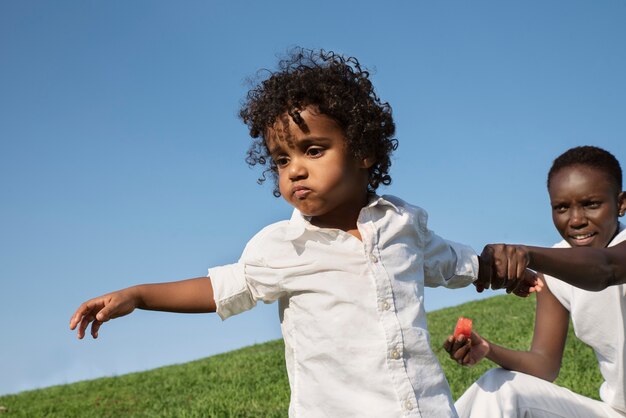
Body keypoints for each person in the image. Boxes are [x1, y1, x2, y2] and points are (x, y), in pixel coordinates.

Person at [70, 48, 539, 417]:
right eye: (282, 160)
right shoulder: (281, 247)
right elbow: (223, 288)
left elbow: (458, 264)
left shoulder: (402, 224)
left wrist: (504, 273)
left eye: (313, 150)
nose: (295, 170)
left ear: (364, 152)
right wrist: (138, 294)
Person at [444, 145, 626, 418]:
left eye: (591, 204)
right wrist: (488, 349)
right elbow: (545, 365)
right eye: (562, 207)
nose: (575, 220)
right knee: (499, 386)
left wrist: (526, 254)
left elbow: (605, 269)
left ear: (621, 203)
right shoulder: (554, 273)